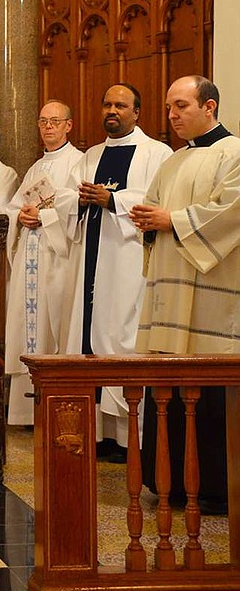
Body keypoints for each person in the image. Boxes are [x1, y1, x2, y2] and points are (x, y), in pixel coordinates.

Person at [131, 75, 240, 515]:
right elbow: (157, 211)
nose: (172, 115)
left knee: (210, 393)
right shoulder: (172, 162)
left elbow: (230, 213)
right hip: (169, 299)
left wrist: (170, 220)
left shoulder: (233, 154)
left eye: (182, 106)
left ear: (209, 106)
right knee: (168, 390)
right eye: (170, 108)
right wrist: (148, 221)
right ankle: (169, 481)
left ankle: (215, 486)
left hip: (213, 300)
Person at [50, 83, 172, 460]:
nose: (112, 111)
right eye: (107, 104)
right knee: (87, 337)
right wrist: (82, 198)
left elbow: (159, 201)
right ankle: (96, 433)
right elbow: (65, 197)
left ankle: (128, 436)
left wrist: (113, 198)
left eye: (120, 105)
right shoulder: (90, 156)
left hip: (128, 263)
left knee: (122, 337)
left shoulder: (158, 153)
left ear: (137, 112)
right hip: (91, 258)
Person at [4, 100, 83, 425]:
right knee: (27, 325)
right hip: (30, 256)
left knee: (58, 323)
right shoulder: (36, 168)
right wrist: (20, 215)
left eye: (55, 121)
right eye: (43, 122)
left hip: (58, 258)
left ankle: (57, 408)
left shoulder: (79, 163)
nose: (48, 127)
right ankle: (26, 412)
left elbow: (78, 211)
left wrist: (46, 216)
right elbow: (12, 205)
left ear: (69, 125)